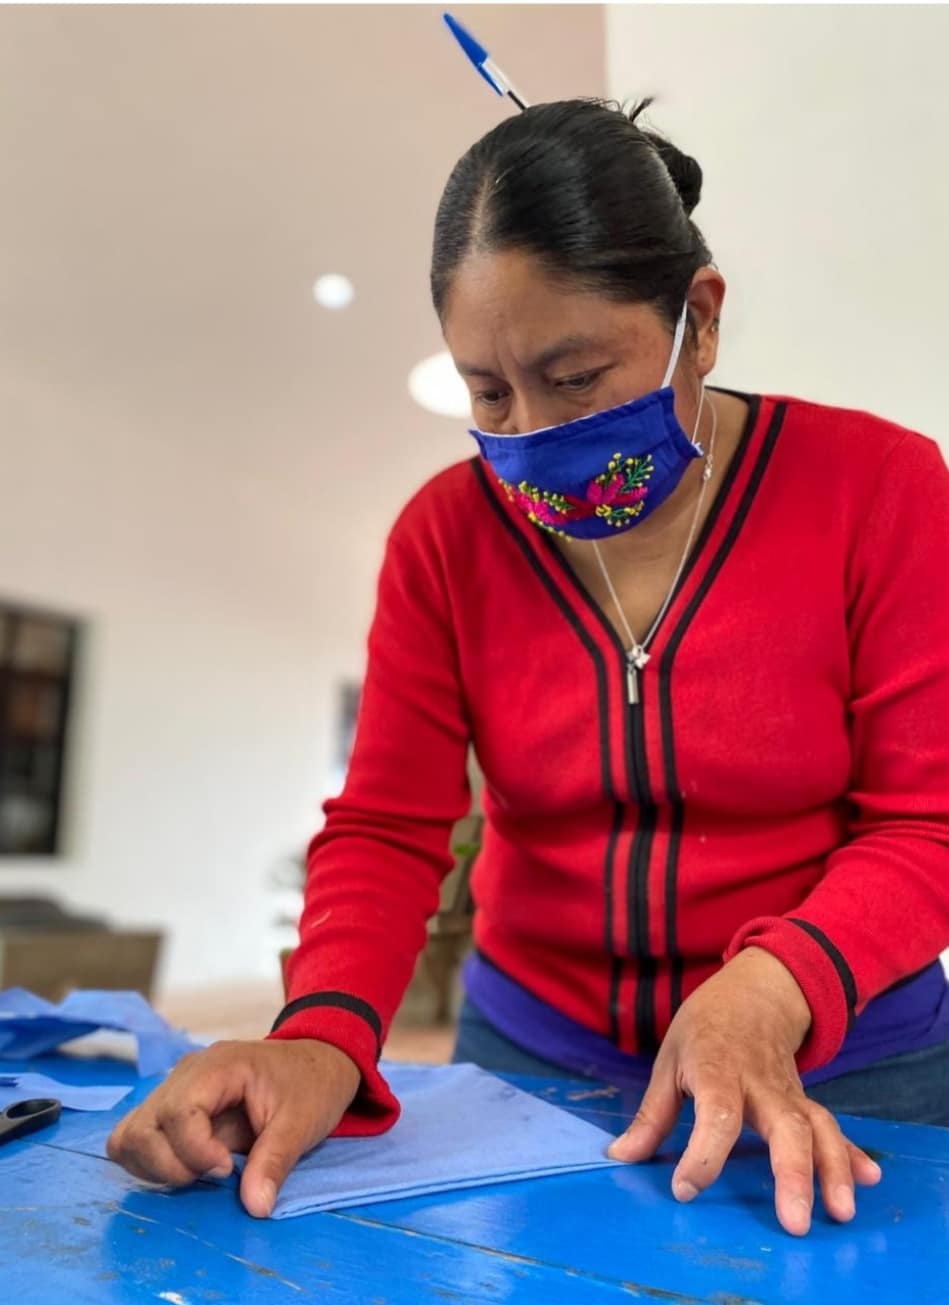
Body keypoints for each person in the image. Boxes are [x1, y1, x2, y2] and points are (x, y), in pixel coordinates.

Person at [108, 99, 949, 1237]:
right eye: (488, 392)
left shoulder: (880, 490)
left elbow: (925, 822)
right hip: (531, 1064)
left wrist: (774, 986)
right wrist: (321, 1033)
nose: (534, 434)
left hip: (844, 1060)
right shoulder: (445, 538)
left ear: (699, 321)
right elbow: (388, 826)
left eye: (577, 375)